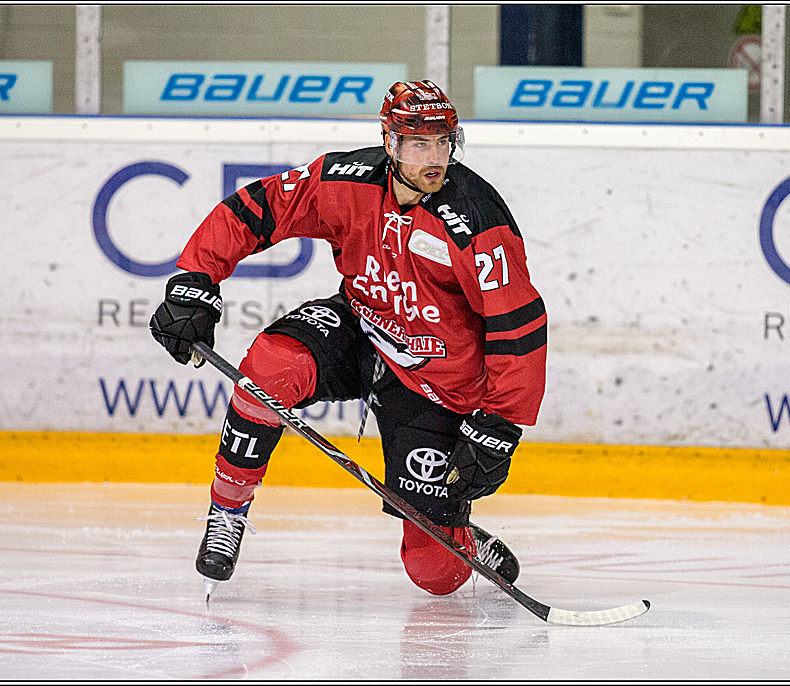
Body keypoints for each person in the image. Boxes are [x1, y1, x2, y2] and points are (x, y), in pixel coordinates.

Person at [150, 80, 547, 598]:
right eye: (418, 143)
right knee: (268, 369)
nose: (434, 157)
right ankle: (227, 512)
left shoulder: (476, 221)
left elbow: (518, 328)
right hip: (360, 329)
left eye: (443, 142)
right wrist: (195, 280)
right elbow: (258, 207)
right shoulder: (346, 179)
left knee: (433, 573)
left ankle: (461, 540)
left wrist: (499, 423)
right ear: (389, 142)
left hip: (437, 382)